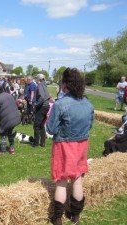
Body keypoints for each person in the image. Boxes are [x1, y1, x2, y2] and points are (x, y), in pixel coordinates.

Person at [46, 67, 94, 225]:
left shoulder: (60, 104)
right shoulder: (88, 103)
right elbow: (90, 126)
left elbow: (51, 129)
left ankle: (57, 218)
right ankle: (75, 216)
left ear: (65, 84)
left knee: (61, 181)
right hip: (81, 145)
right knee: (77, 180)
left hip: (64, 146)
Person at [0, 86, 21, 155]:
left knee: (3, 133)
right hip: (15, 118)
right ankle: (12, 149)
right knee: (10, 133)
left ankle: (3, 151)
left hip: (7, 119)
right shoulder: (8, 95)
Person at [32, 74, 50, 147]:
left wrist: (36, 105)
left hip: (42, 106)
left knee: (36, 125)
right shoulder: (45, 85)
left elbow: (42, 97)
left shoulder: (39, 86)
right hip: (46, 106)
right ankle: (42, 142)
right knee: (42, 125)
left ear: (38, 79)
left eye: (36, 78)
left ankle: (36, 143)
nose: (35, 80)